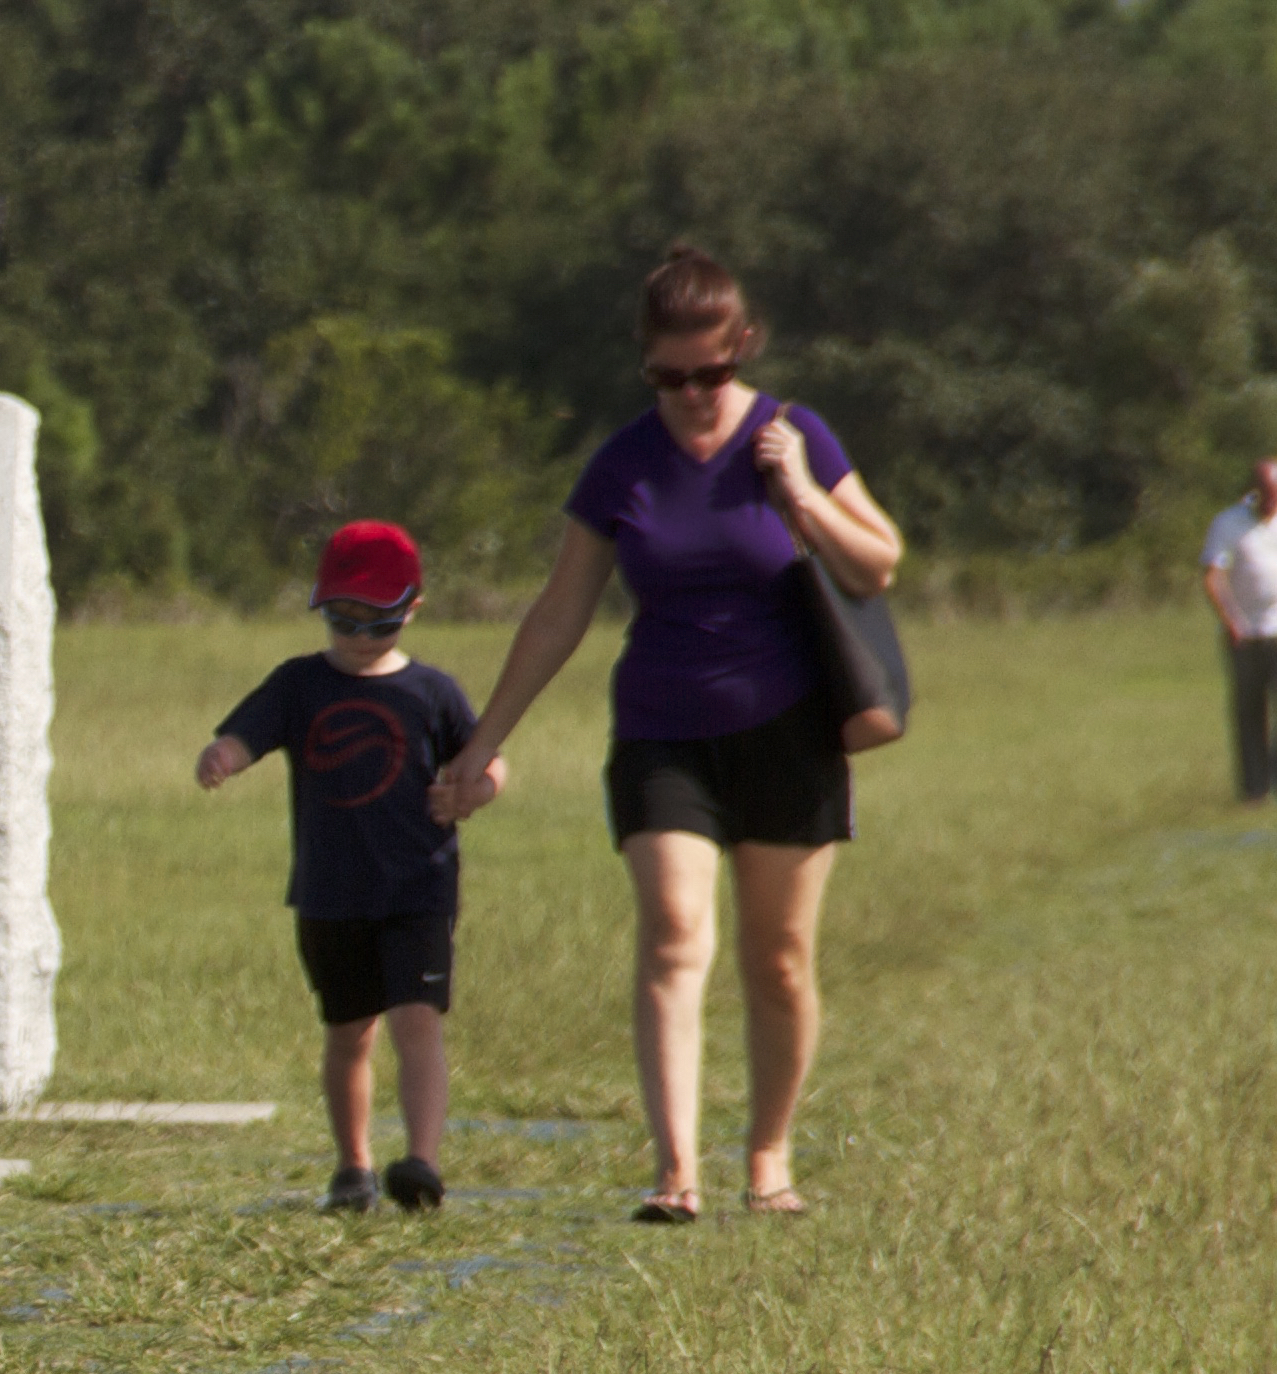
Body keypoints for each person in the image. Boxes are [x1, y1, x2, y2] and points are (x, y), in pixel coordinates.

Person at [426, 244, 904, 1224]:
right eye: (668, 377)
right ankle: (675, 1168)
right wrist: (482, 740)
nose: (691, 394)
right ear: (644, 366)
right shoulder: (621, 464)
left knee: (778, 961)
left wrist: (800, 492)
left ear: (743, 346)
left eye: (711, 373)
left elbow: (879, 563)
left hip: (788, 730)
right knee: (676, 933)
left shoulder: (794, 434)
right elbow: (560, 612)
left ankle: (768, 1155)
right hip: (662, 733)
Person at [195, 521, 502, 1214]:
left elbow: (488, 763)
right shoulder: (300, 683)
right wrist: (223, 756)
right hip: (330, 893)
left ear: (412, 608)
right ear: (320, 606)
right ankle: (352, 1165)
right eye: (344, 618)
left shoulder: (433, 692)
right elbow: (246, 734)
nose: (360, 636)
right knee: (346, 1032)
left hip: (417, 886)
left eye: (379, 619)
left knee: (416, 1019)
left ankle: (421, 1161)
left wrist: (474, 791)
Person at [1201, 456, 1277, 805]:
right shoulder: (1228, 523)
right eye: (1264, 492)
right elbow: (1213, 574)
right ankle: (1254, 788)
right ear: (1253, 491)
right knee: (1249, 709)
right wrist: (1231, 620)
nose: (1271, 500)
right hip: (1245, 630)